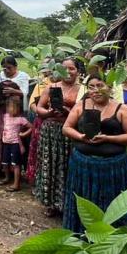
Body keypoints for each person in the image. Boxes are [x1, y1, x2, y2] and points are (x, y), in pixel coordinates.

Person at [62, 75, 127, 232]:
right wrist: (81, 137)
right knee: (85, 201)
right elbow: (66, 128)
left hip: (113, 168)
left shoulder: (121, 109)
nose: (95, 90)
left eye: (100, 85)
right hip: (83, 165)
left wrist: (108, 138)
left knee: (114, 202)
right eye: (91, 87)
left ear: (110, 87)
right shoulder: (81, 105)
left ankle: (116, 235)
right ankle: (81, 233)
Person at [33, 58, 80, 217]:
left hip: (71, 132)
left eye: (72, 68)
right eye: (64, 69)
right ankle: (51, 203)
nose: (68, 72)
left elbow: (86, 112)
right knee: (50, 165)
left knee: (68, 167)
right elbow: (39, 108)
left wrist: (69, 113)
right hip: (50, 132)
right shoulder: (51, 87)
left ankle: (69, 203)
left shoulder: (83, 90)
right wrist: (49, 113)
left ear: (78, 71)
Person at [0, 56, 30, 167]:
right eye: (4, 68)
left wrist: (15, 91)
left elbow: (27, 94)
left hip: (15, 111)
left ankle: (15, 165)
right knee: (1, 134)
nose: (7, 70)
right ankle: (0, 165)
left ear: (15, 66)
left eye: (9, 68)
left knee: (14, 135)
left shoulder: (23, 77)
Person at [26, 60, 57, 184]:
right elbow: (32, 103)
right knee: (39, 151)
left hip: (58, 122)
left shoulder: (65, 84)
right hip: (42, 121)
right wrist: (41, 112)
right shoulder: (42, 84)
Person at [0, 97, 32, 191]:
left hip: (15, 144)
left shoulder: (21, 119)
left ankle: (16, 184)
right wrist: (0, 134)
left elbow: (32, 127)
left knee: (16, 164)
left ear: (18, 108)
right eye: (9, 107)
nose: (10, 110)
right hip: (6, 143)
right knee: (5, 162)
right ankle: (7, 177)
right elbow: (3, 126)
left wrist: (24, 134)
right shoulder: (5, 116)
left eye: (13, 108)